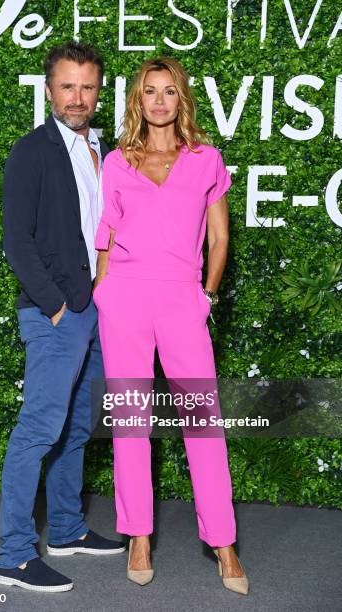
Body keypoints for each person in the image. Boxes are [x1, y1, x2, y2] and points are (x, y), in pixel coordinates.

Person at [93, 57, 249, 595]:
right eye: (150, 93)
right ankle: (138, 534)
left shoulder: (206, 160)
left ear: (182, 100)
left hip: (183, 300)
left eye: (169, 92)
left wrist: (204, 296)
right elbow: (107, 238)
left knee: (203, 423)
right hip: (126, 301)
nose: (159, 101)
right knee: (131, 420)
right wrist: (103, 294)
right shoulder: (116, 162)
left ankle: (224, 543)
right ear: (138, 101)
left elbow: (220, 238)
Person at [0, 40, 125, 593]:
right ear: (49, 90)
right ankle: (13, 556)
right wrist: (54, 305)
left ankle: (67, 528)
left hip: (102, 309)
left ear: (99, 93)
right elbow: (17, 242)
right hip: (58, 313)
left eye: (87, 87)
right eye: (67, 86)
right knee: (38, 431)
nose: (77, 97)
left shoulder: (107, 149)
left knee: (76, 429)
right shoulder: (32, 151)